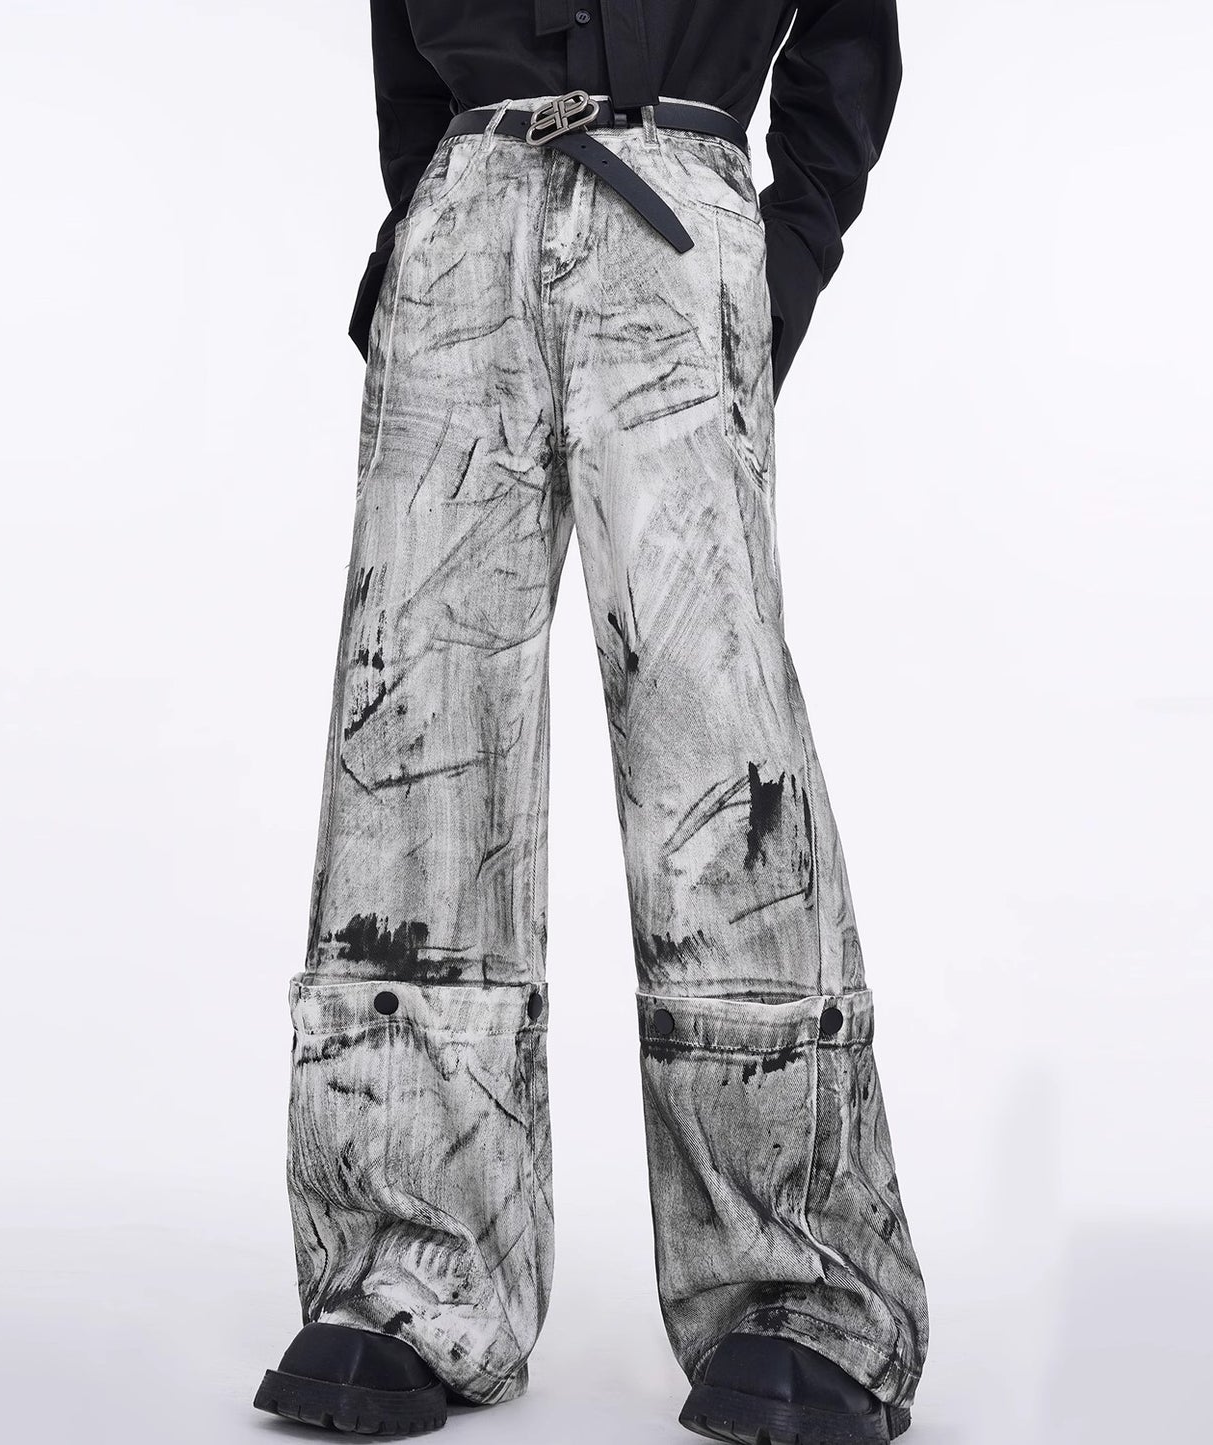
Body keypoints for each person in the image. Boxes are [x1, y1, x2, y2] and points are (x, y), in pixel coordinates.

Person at [252, 3, 928, 1440]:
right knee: (412, 745)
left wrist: (775, 260)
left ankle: (801, 1291)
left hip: (676, 212)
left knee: (715, 752)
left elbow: (845, 45)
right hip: (462, 213)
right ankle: (408, 1268)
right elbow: (400, 57)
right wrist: (441, 223)